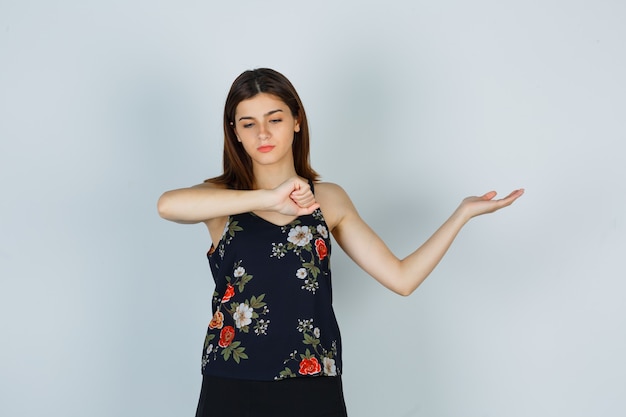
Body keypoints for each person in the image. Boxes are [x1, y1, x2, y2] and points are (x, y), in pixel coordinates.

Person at [157, 68, 524, 417]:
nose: (263, 133)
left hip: (312, 382)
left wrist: (460, 215)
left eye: (275, 118)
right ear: (234, 132)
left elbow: (402, 278)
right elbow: (168, 205)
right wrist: (268, 198)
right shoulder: (220, 199)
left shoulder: (327, 199)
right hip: (232, 382)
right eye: (248, 123)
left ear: (297, 121)